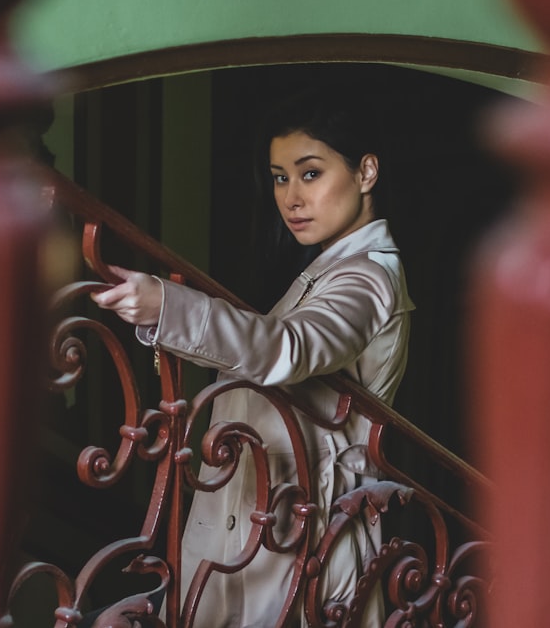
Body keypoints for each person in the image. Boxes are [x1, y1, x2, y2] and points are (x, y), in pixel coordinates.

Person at [92, 87, 414, 627]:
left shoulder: (367, 278)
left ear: (366, 172)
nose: (290, 196)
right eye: (279, 176)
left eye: (310, 173)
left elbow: (285, 347)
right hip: (263, 516)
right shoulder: (330, 271)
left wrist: (168, 307)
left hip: (299, 533)